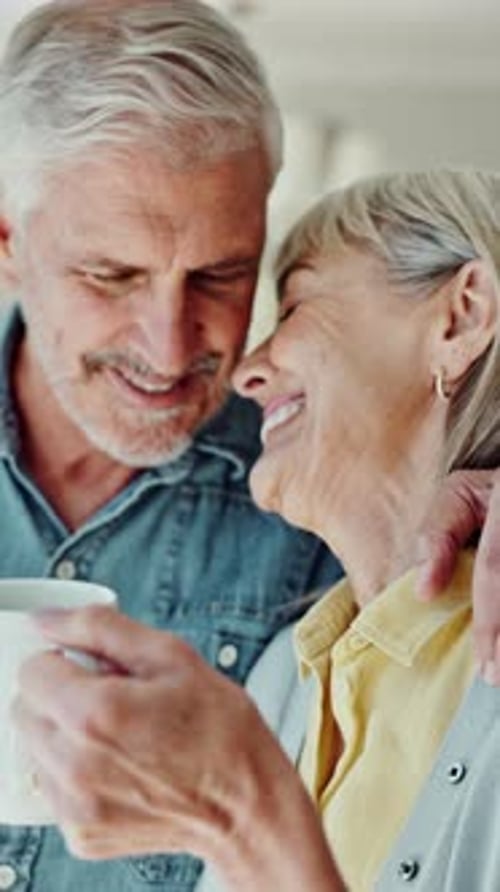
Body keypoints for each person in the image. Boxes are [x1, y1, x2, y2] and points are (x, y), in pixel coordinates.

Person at [15, 168, 500, 892]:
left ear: (460, 318)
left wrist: (245, 815)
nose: (247, 370)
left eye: (297, 303)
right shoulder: (284, 675)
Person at [0, 2, 344, 891]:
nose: (168, 345)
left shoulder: (315, 508)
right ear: (8, 241)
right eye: (111, 276)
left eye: (221, 275)